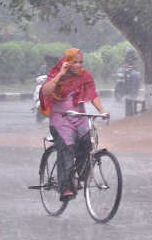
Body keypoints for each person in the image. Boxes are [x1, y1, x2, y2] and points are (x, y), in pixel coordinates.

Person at [39, 48, 109, 201]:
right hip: (60, 118)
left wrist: (102, 111)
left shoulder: (85, 76)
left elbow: (93, 94)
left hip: (79, 116)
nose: (78, 65)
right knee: (67, 148)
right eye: (74, 62)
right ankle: (65, 187)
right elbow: (45, 91)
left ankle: (79, 176)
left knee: (87, 143)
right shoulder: (58, 74)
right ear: (67, 62)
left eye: (80, 62)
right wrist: (60, 74)